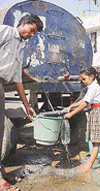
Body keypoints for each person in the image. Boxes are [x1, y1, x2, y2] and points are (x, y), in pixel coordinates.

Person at [0, 14, 43, 191]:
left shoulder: (21, 46)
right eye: (31, 30)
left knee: (1, 129)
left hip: (1, 83)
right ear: (24, 23)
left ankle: (1, 171)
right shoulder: (6, 32)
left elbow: (18, 79)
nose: (32, 34)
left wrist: (27, 106)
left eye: (34, 33)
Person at [64, 67, 100, 172]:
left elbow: (85, 103)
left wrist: (71, 114)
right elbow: (83, 100)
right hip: (99, 111)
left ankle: (89, 165)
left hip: (98, 113)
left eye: (84, 79)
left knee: (96, 142)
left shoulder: (93, 87)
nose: (83, 81)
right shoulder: (92, 86)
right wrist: (71, 107)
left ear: (91, 76)